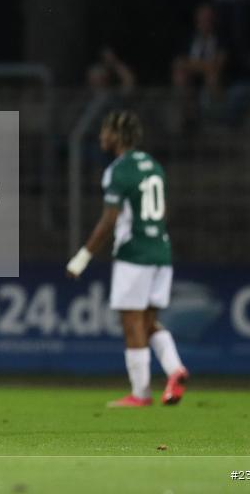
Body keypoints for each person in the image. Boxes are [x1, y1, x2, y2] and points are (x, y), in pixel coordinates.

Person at [66, 110, 189, 408]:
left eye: (105, 131)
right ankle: (175, 369)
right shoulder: (154, 166)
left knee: (131, 322)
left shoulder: (118, 170)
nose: (100, 137)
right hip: (161, 250)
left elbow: (109, 220)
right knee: (148, 321)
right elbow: (163, 211)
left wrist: (82, 257)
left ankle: (140, 393)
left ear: (116, 136)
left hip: (135, 254)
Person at [171, 4, 226, 128]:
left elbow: (218, 64)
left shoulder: (220, 39)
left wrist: (192, 65)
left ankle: (212, 118)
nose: (205, 22)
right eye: (202, 18)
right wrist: (203, 67)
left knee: (212, 77)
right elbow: (178, 62)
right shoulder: (189, 38)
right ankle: (186, 116)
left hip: (212, 76)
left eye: (208, 18)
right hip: (192, 76)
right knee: (180, 76)